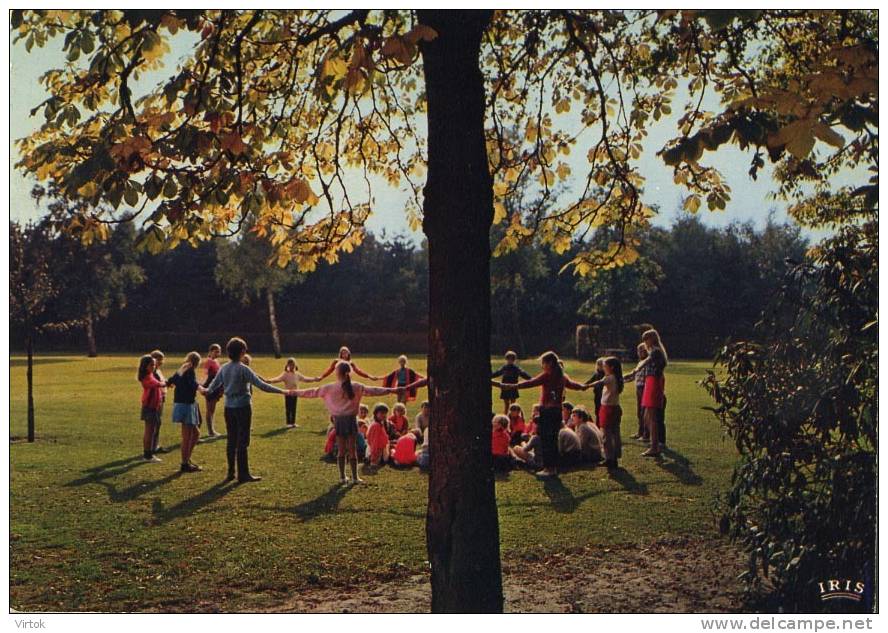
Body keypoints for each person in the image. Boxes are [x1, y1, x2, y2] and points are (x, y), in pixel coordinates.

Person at [294, 361, 401, 484]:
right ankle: (354, 477)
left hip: (340, 422)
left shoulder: (330, 387)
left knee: (342, 450)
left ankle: (343, 477)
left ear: (337, 373)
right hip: (351, 421)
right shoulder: (356, 386)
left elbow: (310, 392)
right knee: (352, 450)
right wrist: (393, 390)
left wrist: (287, 392)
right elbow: (375, 390)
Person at [206, 337, 293, 483]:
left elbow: (212, 387)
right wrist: (282, 391)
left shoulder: (224, 368)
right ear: (242, 352)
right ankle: (243, 474)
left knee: (231, 440)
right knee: (243, 441)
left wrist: (204, 390)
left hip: (229, 408)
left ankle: (230, 473)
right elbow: (262, 385)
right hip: (243, 408)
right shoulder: (243, 369)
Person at [492, 351, 591, 478]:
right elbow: (573, 385)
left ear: (549, 363)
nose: (542, 366)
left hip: (547, 412)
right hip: (556, 412)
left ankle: (548, 468)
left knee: (546, 441)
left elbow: (530, 382)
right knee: (553, 441)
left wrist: (513, 386)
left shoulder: (547, 375)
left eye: (543, 363)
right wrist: (582, 386)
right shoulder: (562, 376)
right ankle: (552, 468)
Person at [630, 329, 668, 457]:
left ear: (652, 338)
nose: (645, 342)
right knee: (647, 415)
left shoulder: (656, 351)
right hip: (650, 381)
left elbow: (646, 361)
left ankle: (655, 446)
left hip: (654, 381)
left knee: (651, 416)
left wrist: (635, 370)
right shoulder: (655, 351)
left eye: (646, 338)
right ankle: (653, 442)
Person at [168, 352, 208, 472]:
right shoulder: (189, 370)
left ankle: (187, 460)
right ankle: (184, 464)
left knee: (195, 434)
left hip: (181, 404)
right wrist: (201, 388)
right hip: (186, 405)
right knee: (187, 436)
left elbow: (171, 380)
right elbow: (192, 383)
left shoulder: (183, 368)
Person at [586, 357, 624, 469]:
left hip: (607, 409)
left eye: (605, 366)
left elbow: (599, 382)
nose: (603, 368)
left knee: (606, 435)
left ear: (611, 367)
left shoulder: (610, 378)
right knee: (615, 433)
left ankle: (609, 458)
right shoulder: (617, 377)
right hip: (615, 408)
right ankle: (615, 456)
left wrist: (586, 386)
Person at [267, 358, 321, 428]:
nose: (292, 366)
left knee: (294, 408)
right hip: (288, 393)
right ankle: (288, 423)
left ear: (295, 365)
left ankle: (293, 422)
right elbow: (277, 379)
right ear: (287, 365)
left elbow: (305, 379)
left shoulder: (297, 374)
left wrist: (314, 379)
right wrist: (270, 381)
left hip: (295, 393)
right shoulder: (285, 374)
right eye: (290, 365)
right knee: (288, 408)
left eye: (293, 365)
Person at [138, 355, 166, 462]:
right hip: (149, 407)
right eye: (152, 365)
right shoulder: (147, 377)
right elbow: (158, 384)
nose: (154, 366)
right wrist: (166, 383)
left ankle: (148, 453)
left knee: (151, 430)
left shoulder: (150, 375)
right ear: (145, 366)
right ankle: (148, 455)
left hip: (152, 407)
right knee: (149, 431)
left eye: (154, 364)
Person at [626, 343, 649, 441]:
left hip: (644, 388)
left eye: (642, 351)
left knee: (644, 411)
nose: (639, 353)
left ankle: (646, 434)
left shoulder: (647, 362)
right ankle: (640, 431)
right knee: (639, 411)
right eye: (639, 351)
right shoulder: (640, 363)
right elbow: (633, 375)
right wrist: (621, 379)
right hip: (638, 388)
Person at [201, 343, 223, 438]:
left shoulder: (216, 361)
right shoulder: (208, 361)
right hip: (210, 388)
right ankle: (211, 431)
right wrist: (203, 388)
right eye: (216, 351)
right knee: (209, 410)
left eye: (219, 351)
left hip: (216, 388)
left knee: (212, 410)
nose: (218, 353)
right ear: (211, 352)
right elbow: (204, 375)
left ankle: (212, 430)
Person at [149, 350, 168, 455]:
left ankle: (155, 445)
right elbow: (159, 384)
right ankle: (152, 447)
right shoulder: (153, 372)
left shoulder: (158, 371)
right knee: (155, 423)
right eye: (160, 359)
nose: (162, 361)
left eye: (162, 359)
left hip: (161, 398)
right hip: (156, 400)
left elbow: (163, 382)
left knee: (158, 423)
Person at [585, 358, 606, 425]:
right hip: (597, 394)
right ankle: (598, 424)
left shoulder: (605, 374)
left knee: (601, 410)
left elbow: (599, 383)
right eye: (598, 364)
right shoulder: (597, 373)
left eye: (600, 364)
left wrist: (587, 386)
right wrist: (583, 385)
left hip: (602, 394)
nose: (599, 366)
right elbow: (591, 380)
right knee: (597, 410)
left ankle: (601, 423)